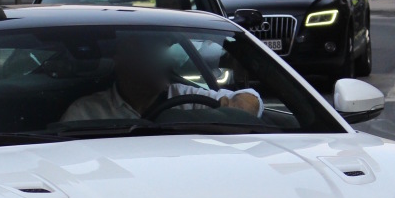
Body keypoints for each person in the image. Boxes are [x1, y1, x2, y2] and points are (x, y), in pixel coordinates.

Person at [60, 33, 261, 122]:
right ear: (122, 61)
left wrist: (237, 109)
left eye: (160, 53)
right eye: (148, 53)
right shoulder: (86, 112)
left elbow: (252, 98)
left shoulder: (184, 97)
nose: (161, 62)